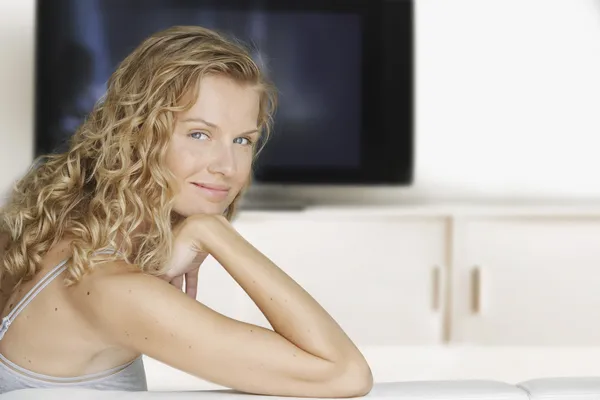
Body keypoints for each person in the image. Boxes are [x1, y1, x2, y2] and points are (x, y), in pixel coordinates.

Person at [0, 26, 373, 397]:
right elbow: (342, 373)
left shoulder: (60, 225)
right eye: (199, 134)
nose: (228, 166)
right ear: (139, 134)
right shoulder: (113, 288)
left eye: (243, 140)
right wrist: (213, 230)